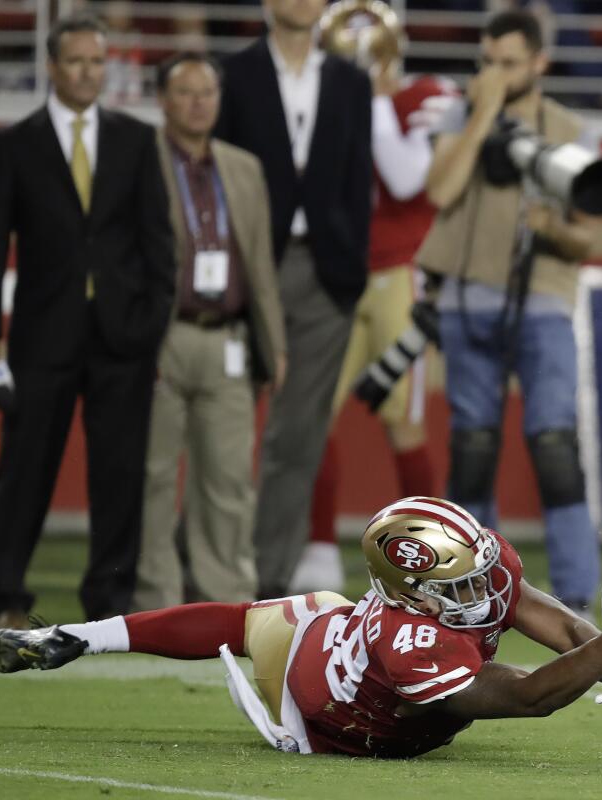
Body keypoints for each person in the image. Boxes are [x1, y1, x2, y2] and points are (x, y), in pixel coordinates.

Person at [0, 497, 602, 758]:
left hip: (333, 624)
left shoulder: (480, 574)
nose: (482, 590)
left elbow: (554, 624)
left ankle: (76, 638)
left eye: (479, 569)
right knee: (244, 626)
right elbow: (530, 694)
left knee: (266, 613)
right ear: (409, 591)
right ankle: (79, 636)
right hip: (321, 709)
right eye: (456, 583)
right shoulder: (413, 641)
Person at [0, 13, 175, 628]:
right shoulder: (13, 144)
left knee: (119, 476)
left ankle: (108, 604)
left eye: (97, 61)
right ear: (52, 67)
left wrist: (151, 324)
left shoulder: (137, 141)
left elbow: (158, 244)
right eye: (77, 61)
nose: (89, 72)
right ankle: (6, 599)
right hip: (42, 335)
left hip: (123, 338)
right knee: (24, 472)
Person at [416, 9, 602, 613]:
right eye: (488, 62)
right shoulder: (460, 116)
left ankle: (575, 591)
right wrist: (483, 116)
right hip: (468, 301)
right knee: (472, 446)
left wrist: (550, 226)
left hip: (544, 302)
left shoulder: (571, 131)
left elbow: (585, 241)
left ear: (539, 64)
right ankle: (465, 583)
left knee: (553, 443)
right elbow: (440, 192)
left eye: (509, 64)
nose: (495, 73)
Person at [213, 0, 372, 600]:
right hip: (247, 268)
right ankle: (209, 567)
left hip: (327, 272)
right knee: (222, 428)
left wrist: (350, 268)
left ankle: (265, 581)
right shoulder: (234, 75)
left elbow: (360, 178)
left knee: (297, 434)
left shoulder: (351, 81)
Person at [293, 0, 452, 593]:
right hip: (334, 275)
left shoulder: (427, 95)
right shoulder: (319, 96)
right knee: (313, 418)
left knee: (403, 422)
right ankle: (314, 546)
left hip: (398, 277)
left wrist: (377, 97)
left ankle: (430, 550)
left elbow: (409, 178)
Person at [133, 52, 288, 611]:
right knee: (152, 477)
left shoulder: (244, 167)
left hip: (228, 337)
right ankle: (155, 602)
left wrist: (276, 344)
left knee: (228, 482)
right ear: (163, 100)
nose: (199, 103)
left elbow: (262, 267)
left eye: (208, 92)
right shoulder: (138, 158)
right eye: (185, 92)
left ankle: (228, 604)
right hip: (161, 336)